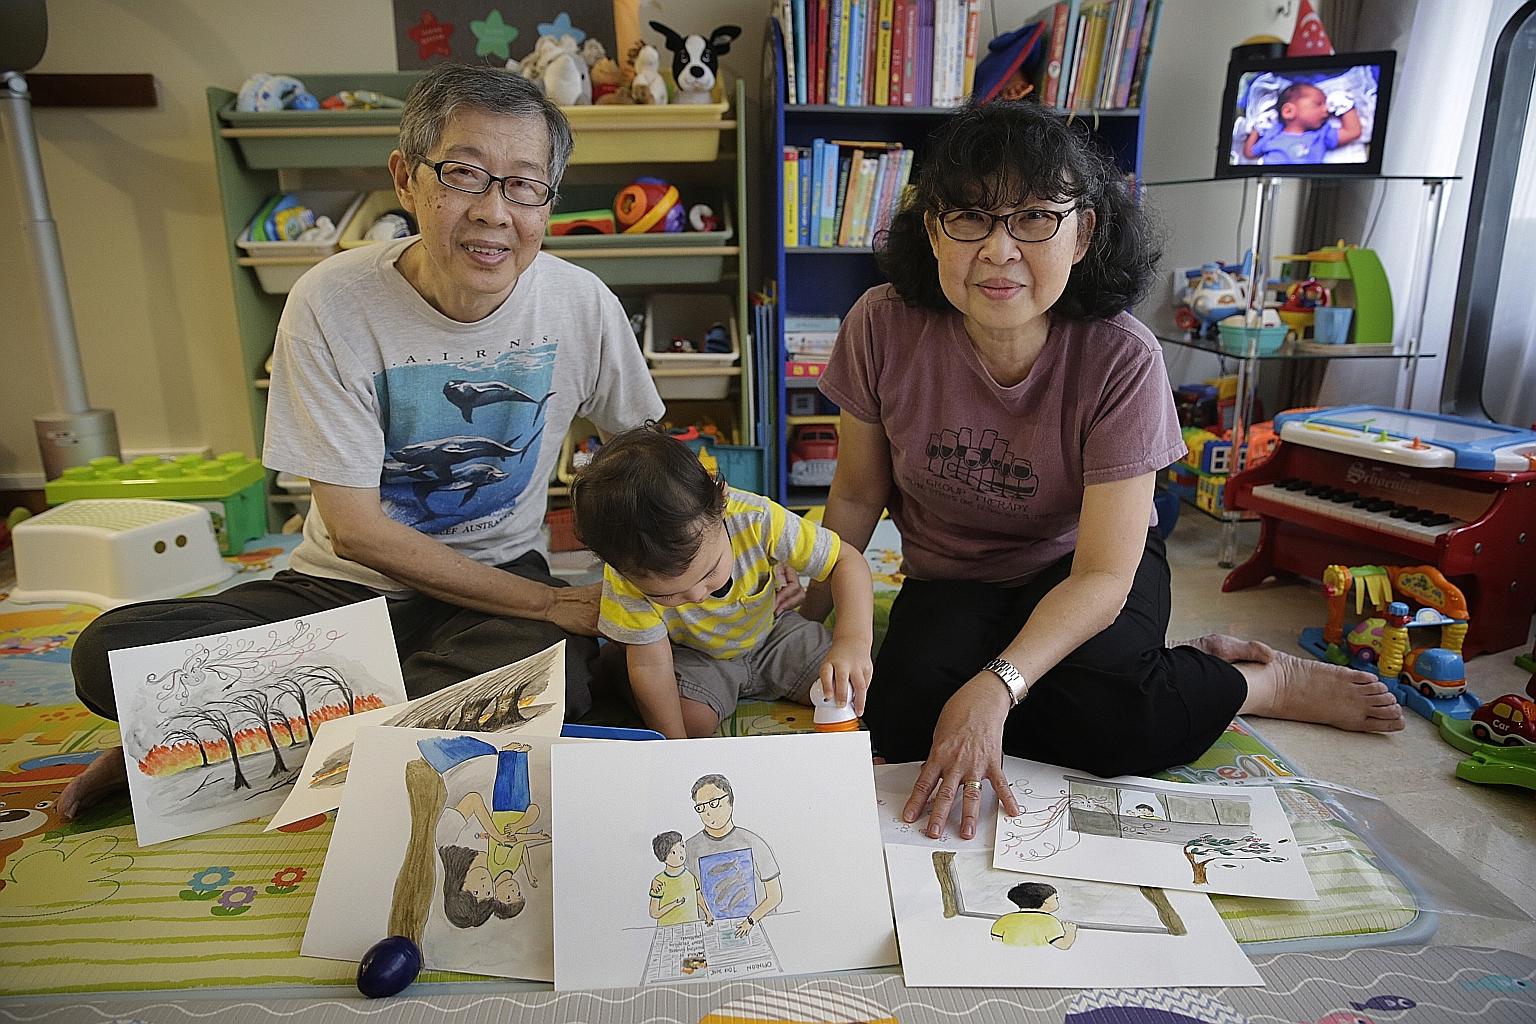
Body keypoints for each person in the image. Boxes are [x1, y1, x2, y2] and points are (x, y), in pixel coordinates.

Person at [59, 63, 663, 820]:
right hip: (340, 589)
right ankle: (369, 727)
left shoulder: (581, 303)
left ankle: (230, 740)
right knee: (107, 656)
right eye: (464, 175)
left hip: (495, 584)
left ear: (547, 200)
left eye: (523, 186)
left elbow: (647, 463)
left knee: (551, 679)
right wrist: (550, 602)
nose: (494, 212)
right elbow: (357, 531)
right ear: (406, 180)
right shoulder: (332, 302)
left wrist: (720, 561)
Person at [803, 101, 1404, 844]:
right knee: (903, 719)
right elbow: (858, 493)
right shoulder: (880, 323)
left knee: (1118, 722)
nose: (998, 249)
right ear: (933, 232)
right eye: (970, 218)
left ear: (1082, 233)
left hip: (1081, 566)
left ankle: (1255, 681)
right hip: (953, 571)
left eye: (1033, 218)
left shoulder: (1123, 356)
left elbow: (1102, 576)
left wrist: (997, 687)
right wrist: (801, 614)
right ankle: (1072, 674)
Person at [571, 426, 873, 739]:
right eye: (669, 595)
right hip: (697, 656)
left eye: (709, 573)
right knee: (688, 723)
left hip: (773, 636)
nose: (697, 595)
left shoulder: (756, 518)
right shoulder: (625, 576)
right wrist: (675, 748)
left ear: (721, 502)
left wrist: (852, 642)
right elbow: (652, 667)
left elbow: (845, 561)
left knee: (849, 683)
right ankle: (619, 666)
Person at [684, 774, 780, 938]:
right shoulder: (689, 850)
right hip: (710, 934)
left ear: (730, 800)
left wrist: (750, 921)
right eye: (701, 807)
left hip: (755, 930)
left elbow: (775, 896)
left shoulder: (753, 843)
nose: (707, 812)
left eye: (713, 803)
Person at [1242, 81, 1362, 164]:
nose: (1326, 109)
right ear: (1289, 111)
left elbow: (1353, 132)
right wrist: (1257, 128)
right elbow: (1249, 153)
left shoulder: (1322, 134)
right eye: (1318, 104)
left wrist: (1345, 106)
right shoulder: (1273, 132)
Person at [648, 830, 709, 926]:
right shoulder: (659, 882)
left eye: (682, 846)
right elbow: (654, 913)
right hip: (669, 928)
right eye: (673, 852)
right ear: (663, 857)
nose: (681, 853)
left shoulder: (690, 876)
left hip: (692, 926)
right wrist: (674, 904)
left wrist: (707, 913)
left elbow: (698, 896)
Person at [990, 881, 1076, 949]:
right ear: (1046, 901)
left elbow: (996, 943)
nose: (1057, 901)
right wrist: (1070, 931)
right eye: (1056, 898)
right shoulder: (1050, 922)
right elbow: (1063, 945)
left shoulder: (1004, 919)